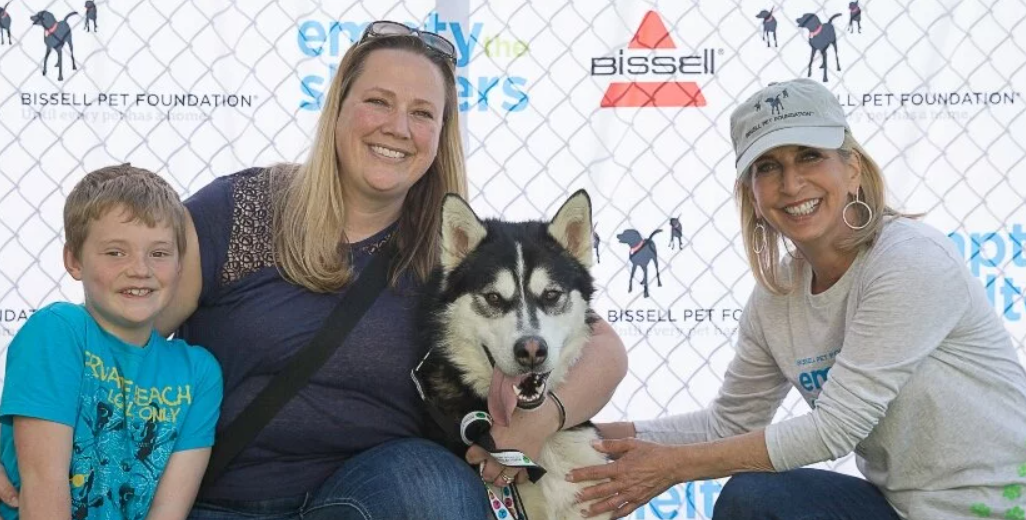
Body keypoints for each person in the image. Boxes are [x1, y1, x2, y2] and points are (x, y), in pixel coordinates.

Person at [17, 22, 620, 520]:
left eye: (422, 113)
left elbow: (602, 348)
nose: (397, 128)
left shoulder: (451, 252)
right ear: (338, 108)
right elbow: (118, 328)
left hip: (366, 495)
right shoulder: (245, 208)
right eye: (378, 102)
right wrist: (26, 449)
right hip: (207, 496)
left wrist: (541, 421)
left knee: (432, 489)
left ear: (441, 133)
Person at [568, 77, 1026, 520]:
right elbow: (728, 426)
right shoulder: (775, 299)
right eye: (768, 166)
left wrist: (671, 467)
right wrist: (571, 441)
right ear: (751, 190)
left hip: (1004, 508)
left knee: (757, 492)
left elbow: (835, 429)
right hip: (899, 509)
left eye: (810, 156)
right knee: (759, 496)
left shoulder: (909, 261)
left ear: (852, 169)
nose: (791, 184)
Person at [0, 164, 223, 520]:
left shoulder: (198, 373)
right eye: (115, 252)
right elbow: (43, 488)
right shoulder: (58, 332)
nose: (140, 269)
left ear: (181, 264)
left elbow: (168, 512)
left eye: (159, 253)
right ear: (74, 260)